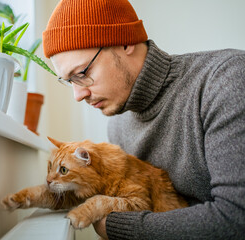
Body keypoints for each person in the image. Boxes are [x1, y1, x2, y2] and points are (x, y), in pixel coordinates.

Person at [42, 0, 245, 239]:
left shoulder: (226, 80)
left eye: (82, 74)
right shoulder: (118, 126)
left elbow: (236, 218)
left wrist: (115, 226)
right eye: (69, 81)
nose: (78, 95)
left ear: (125, 41)